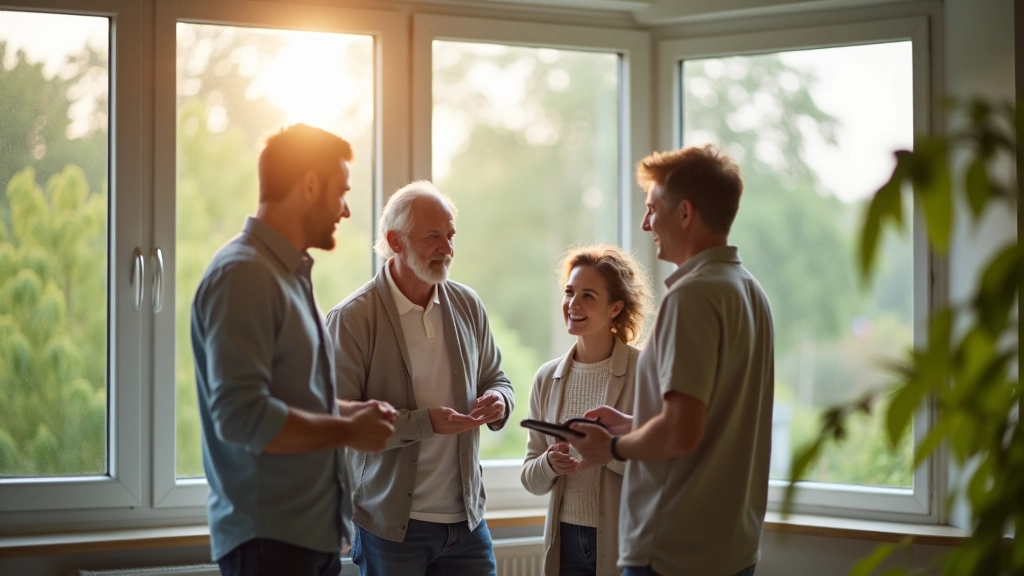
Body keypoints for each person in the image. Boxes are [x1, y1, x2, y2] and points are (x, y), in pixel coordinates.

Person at [190, 124, 397, 576]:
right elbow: (242, 416)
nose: (345, 210)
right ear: (308, 184)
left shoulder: (285, 274)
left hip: (304, 538)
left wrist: (351, 415)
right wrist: (347, 432)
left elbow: (292, 400)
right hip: (269, 546)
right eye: (341, 192)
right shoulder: (243, 275)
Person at [567, 144, 775, 576]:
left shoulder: (693, 296)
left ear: (684, 213)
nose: (646, 223)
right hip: (731, 548)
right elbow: (709, 417)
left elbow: (681, 432)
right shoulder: (749, 291)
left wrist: (613, 446)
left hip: (673, 553)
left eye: (652, 209)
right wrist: (633, 423)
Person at [325, 180, 515, 576]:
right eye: (433, 237)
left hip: (467, 522)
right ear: (395, 241)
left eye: (450, 235)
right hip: (391, 529)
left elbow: (498, 377)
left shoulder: (467, 303)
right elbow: (339, 422)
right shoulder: (353, 318)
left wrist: (499, 402)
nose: (447, 248)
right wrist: (424, 423)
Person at [521, 245, 653, 576]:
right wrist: (549, 463)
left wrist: (607, 453)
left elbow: (660, 468)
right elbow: (531, 478)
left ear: (615, 308)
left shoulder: (646, 372)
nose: (573, 304)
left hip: (627, 540)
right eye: (569, 292)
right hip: (564, 539)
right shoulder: (546, 379)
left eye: (588, 296)